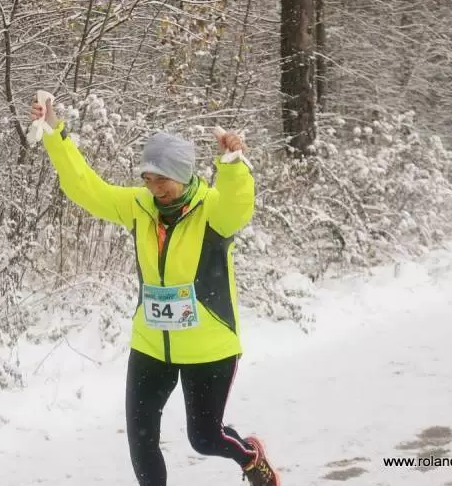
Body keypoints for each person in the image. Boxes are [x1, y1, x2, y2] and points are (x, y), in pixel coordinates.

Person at [30, 96, 281, 486]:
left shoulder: (213, 211)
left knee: (205, 438)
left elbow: (239, 206)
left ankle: (251, 457)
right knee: (141, 440)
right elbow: (86, 188)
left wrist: (232, 166)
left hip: (208, 348)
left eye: (163, 179)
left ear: (183, 174)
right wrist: (54, 133)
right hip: (151, 344)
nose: (154, 188)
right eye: (148, 178)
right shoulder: (139, 206)